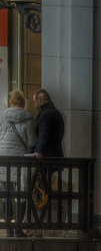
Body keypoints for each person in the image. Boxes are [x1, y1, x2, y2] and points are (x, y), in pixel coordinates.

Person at [0, 90, 37, 237]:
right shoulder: (29, 119)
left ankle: (8, 227)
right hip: (20, 160)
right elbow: (32, 142)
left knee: (5, 193)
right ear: (23, 103)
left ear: (12, 102)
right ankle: (18, 228)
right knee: (21, 193)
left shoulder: (2, 116)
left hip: (3, 160)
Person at [33, 89, 64, 159]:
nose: (35, 105)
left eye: (34, 102)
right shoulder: (56, 112)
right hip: (56, 154)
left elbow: (44, 134)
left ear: (39, 99)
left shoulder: (45, 115)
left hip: (47, 156)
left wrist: (39, 151)